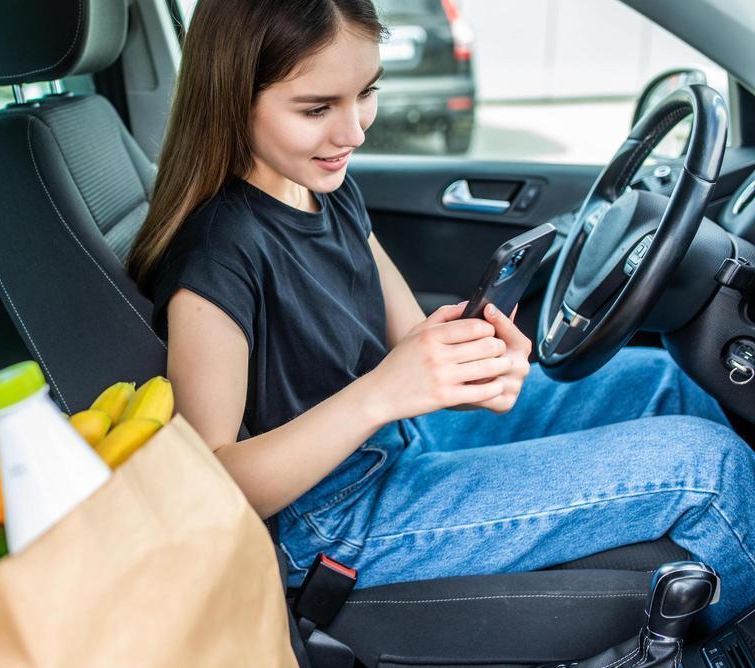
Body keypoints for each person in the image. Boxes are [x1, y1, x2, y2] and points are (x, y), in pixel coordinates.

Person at [127, 0, 755, 630]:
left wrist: (477, 364)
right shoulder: (218, 254)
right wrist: (381, 393)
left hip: (401, 440)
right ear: (233, 99)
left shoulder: (327, 190)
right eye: (317, 109)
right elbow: (211, 483)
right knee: (709, 467)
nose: (354, 132)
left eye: (366, 93)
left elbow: (410, 339)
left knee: (662, 380)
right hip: (327, 518)